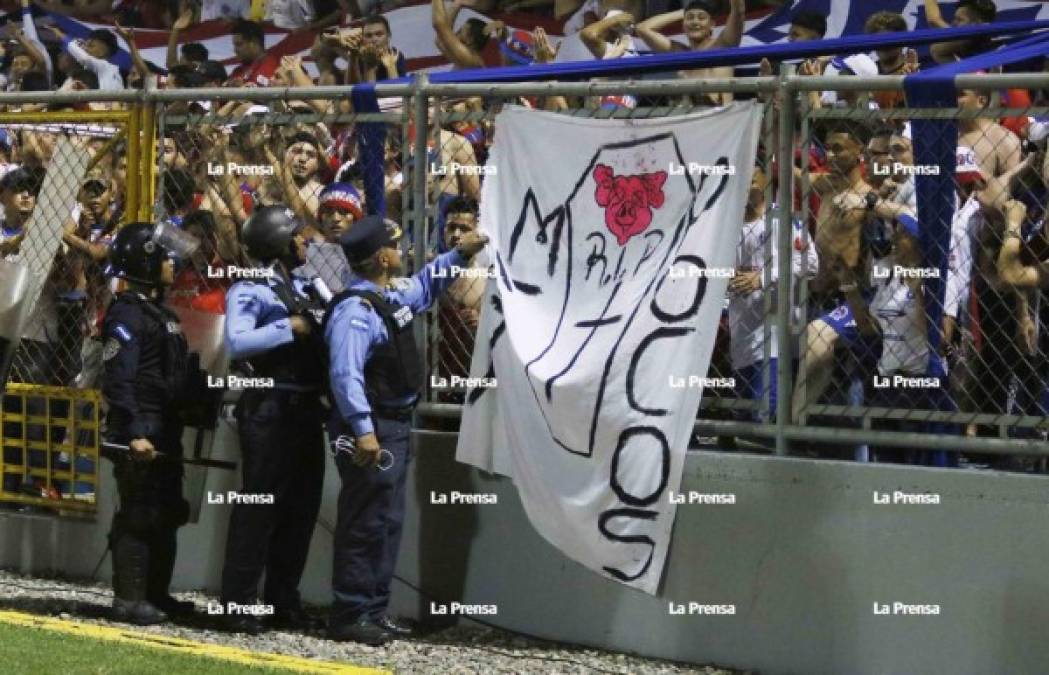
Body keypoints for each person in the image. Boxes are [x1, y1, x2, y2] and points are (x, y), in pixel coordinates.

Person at [323, 215, 487, 645]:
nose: (402, 250)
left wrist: (461, 253)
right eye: (396, 245)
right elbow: (345, 373)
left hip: (391, 425)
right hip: (373, 427)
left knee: (385, 521)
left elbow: (426, 284)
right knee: (365, 521)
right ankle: (351, 612)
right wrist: (362, 430)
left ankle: (373, 610)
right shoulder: (356, 310)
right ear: (382, 256)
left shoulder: (386, 296)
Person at [219, 206, 328, 634]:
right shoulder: (250, 289)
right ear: (278, 243)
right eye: (297, 237)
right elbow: (238, 341)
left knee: (300, 510)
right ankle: (237, 603)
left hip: (303, 411)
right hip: (268, 409)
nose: (305, 243)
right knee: (258, 508)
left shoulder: (302, 285)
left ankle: (283, 601)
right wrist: (290, 326)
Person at [101, 222, 202, 625]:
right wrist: (133, 434)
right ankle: (129, 599)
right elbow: (120, 377)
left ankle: (157, 594)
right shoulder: (126, 314)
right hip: (140, 425)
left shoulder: (158, 312)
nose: (171, 263)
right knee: (139, 511)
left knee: (167, 509)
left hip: (165, 424)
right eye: (163, 255)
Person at [636, 0, 745, 104]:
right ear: (683, 25)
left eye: (701, 18)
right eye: (689, 18)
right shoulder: (679, 52)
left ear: (712, 24)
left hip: (720, 118)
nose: (695, 22)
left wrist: (688, 13)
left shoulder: (723, 45)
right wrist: (682, 12)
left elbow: (738, 10)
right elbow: (642, 29)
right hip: (689, 118)